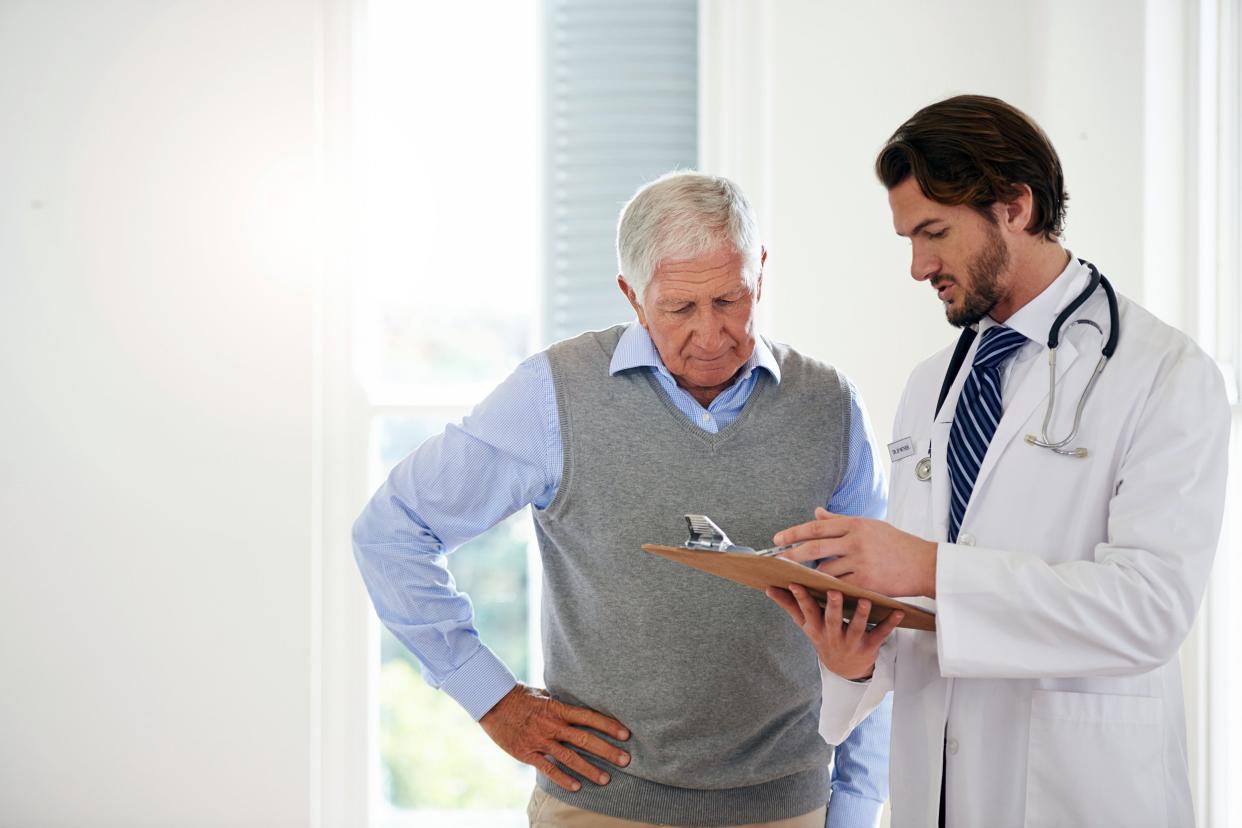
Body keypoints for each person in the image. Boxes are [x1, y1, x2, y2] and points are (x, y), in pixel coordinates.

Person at [353, 171, 894, 828]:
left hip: (788, 807)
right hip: (602, 807)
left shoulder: (829, 407)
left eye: (731, 298)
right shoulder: (555, 394)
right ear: (633, 298)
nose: (713, 333)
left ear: (762, 274)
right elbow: (392, 530)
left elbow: (877, 618)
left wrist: (858, 807)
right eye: (680, 308)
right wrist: (494, 700)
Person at [766, 94, 1231, 828]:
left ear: (1014, 206)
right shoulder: (932, 385)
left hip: (1081, 795)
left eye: (934, 232)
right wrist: (855, 654)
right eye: (907, 238)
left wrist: (926, 567)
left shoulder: (1164, 374)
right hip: (936, 792)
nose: (919, 266)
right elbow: (927, 611)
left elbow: (1150, 611)